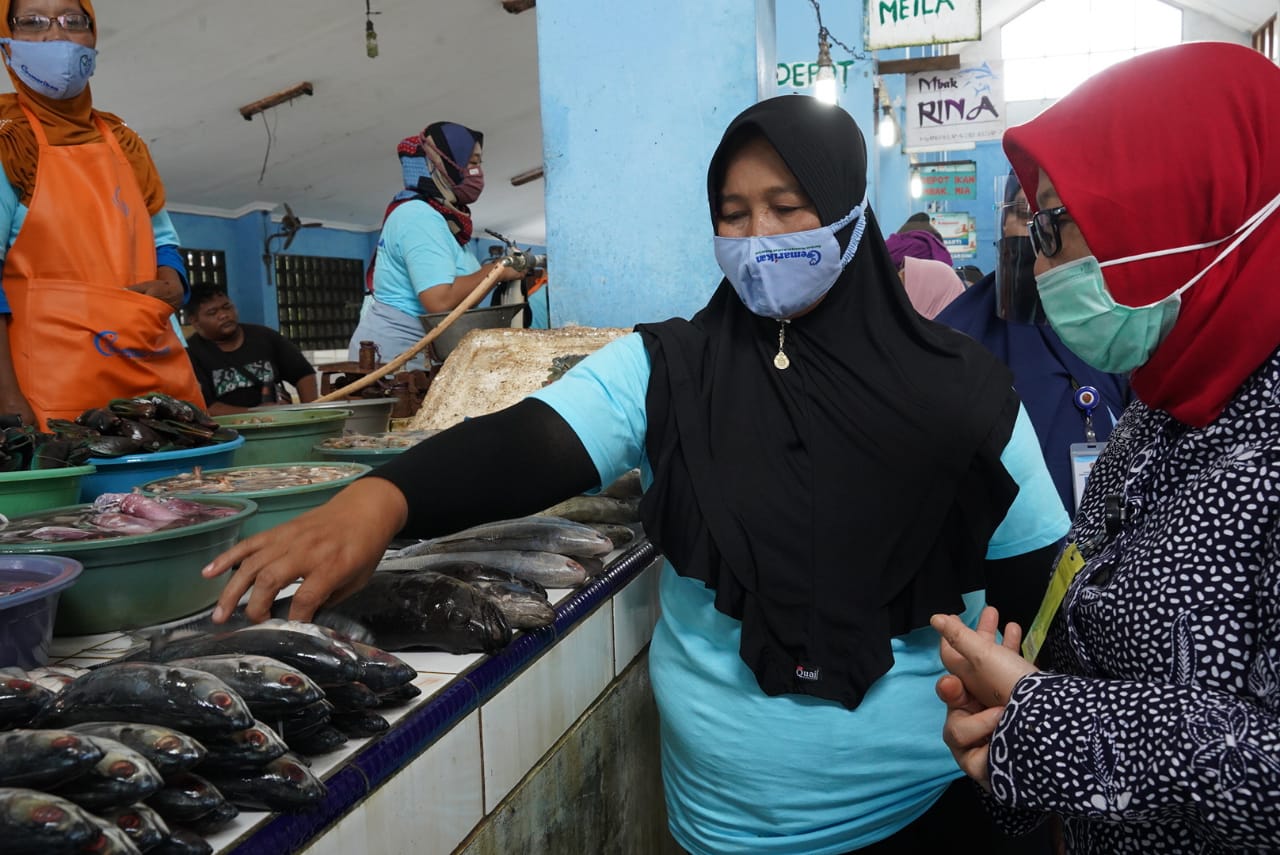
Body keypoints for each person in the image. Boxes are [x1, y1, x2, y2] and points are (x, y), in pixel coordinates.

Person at [204, 96, 1068, 853]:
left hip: (922, 815)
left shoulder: (962, 393)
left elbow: (1035, 598)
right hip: (716, 830)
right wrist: (380, 499)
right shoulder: (672, 369)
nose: (758, 237)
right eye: (732, 212)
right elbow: (532, 440)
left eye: (786, 206)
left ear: (848, 214)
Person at [932, 42, 1280, 853]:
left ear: (1183, 210)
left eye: (1054, 224)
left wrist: (1040, 716)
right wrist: (1000, 723)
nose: (1037, 257)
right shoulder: (1158, 415)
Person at [0, 0, 203, 429]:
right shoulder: (9, 145)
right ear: (7, 42)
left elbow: (162, 237)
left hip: (151, 363)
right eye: (32, 23)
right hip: (54, 385)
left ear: (93, 38)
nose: (57, 36)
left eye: (75, 21)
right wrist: (6, 396)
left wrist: (173, 282)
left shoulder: (125, 142)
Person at [936, 173, 1129, 515]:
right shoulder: (956, 336)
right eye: (1024, 215)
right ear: (1002, 224)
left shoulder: (1121, 323)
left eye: (1055, 214)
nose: (1038, 231)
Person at [346, 122, 524, 369]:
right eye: (472, 163)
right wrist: (497, 270)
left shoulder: (445, 222)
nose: (478, 172)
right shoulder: (418, 217)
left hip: (423, 355)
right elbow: (439, 300)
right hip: (393, 361)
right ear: (442, 163)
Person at [184, 284, 317, 414]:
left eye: (227, 307)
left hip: (278, 423)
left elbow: (303, 373)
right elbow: (206, 408)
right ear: (195, 321)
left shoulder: (264, 337)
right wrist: (257, 414)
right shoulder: (190, 354)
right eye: (213, 313)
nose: (224, 315)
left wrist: (311, 413)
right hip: (229, 432)